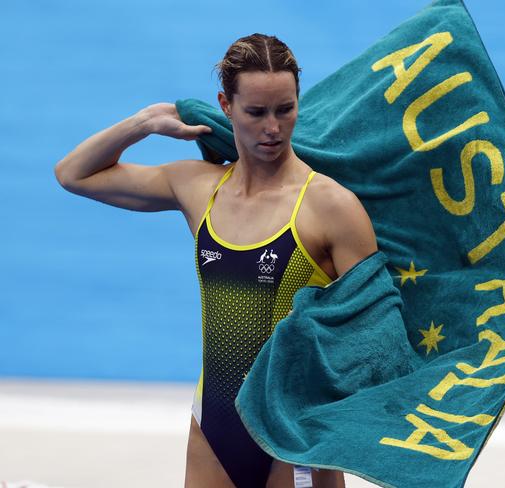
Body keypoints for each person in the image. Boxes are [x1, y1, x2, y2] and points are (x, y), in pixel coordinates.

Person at [54, 33, 377, 487]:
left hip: (295, 434)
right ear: (226, 105)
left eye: (285, 110)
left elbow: (374, 332)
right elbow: (73, 174)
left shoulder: (330, 206)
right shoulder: (199, 187)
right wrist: (144, 122)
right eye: (256, 112)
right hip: (215, 427)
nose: (273, 128)